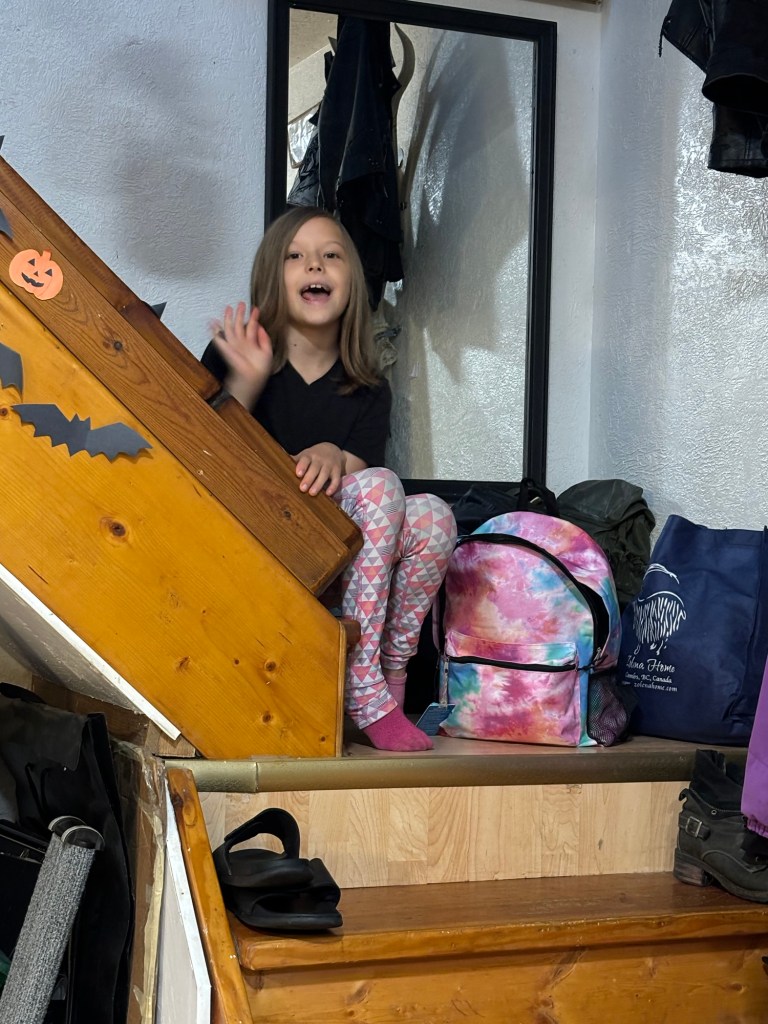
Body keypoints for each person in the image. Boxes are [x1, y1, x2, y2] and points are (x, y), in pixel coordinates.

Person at [202, 207, 456, 751]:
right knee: (383, 485)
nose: (314, 264)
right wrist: (246, 381)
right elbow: (209, 461)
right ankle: (362, 688)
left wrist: (334, 455)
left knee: (435, 515)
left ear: (353, 282)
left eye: (331, 255)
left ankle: (390, 678)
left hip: (342, 566)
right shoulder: (237, 355)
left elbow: (364, 485)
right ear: (271, 278)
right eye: (296, 255)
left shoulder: (369, 388)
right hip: (263, 544)